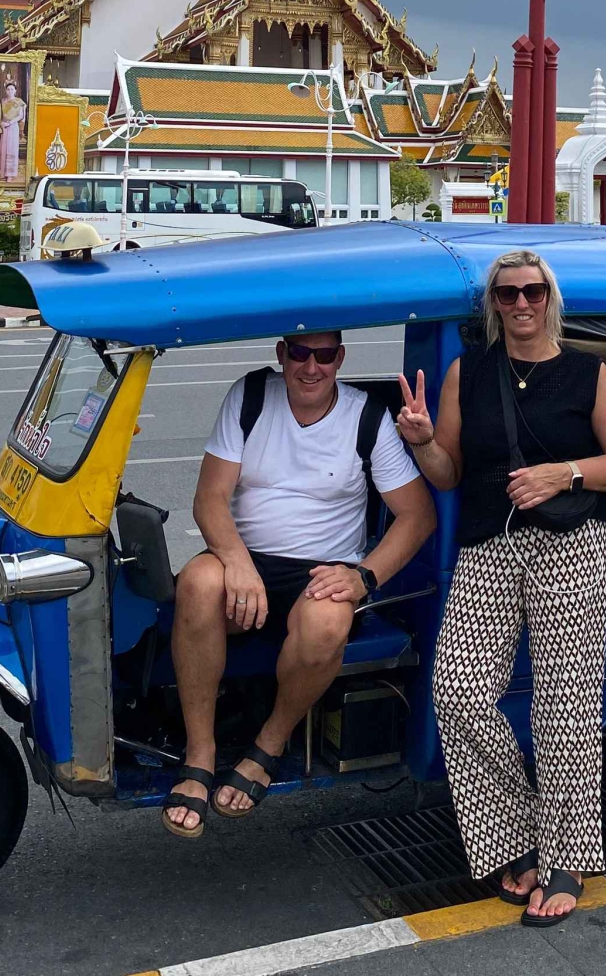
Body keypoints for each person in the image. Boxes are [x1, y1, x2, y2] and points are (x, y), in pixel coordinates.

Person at [396, 250, 606, 928]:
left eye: (533, 290)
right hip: (490, 546)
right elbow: (446, 474)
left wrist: (565, 473)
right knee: (459, 690)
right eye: (508, 293)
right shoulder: (466, 373)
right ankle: (519, 825)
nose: (521, 302)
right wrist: (420, 441)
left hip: (572, 546)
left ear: (549, 297)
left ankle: (565, 856)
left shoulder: (586, 373)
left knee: (564, 707)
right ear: (494, 304)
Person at [161, 331, 436, 839]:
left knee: (328, 621)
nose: (312, 368)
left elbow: (416, 516)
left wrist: (363, 577)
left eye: (325, 356)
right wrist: (238, 564)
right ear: (282, 354)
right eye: (301, 354)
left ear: (340, 359)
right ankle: (200, 752)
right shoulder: (250, 396)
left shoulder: (365, 416)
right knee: (198, 583)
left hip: (323, 565)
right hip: (244, 555)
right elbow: (210, 499)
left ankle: (269, 742)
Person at [0, 81, 26, 183]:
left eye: (12, 89)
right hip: (3, 127)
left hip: (13, 126)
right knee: (2, 149)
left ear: (15, 91)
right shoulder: (3, 101)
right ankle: (3, 173)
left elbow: (20, 115)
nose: (10, 91)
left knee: (11, 149)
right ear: (6, 91)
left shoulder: (18, 102)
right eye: (8, 89)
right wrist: (1, 123)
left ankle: (10, 174)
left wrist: (10, 123)